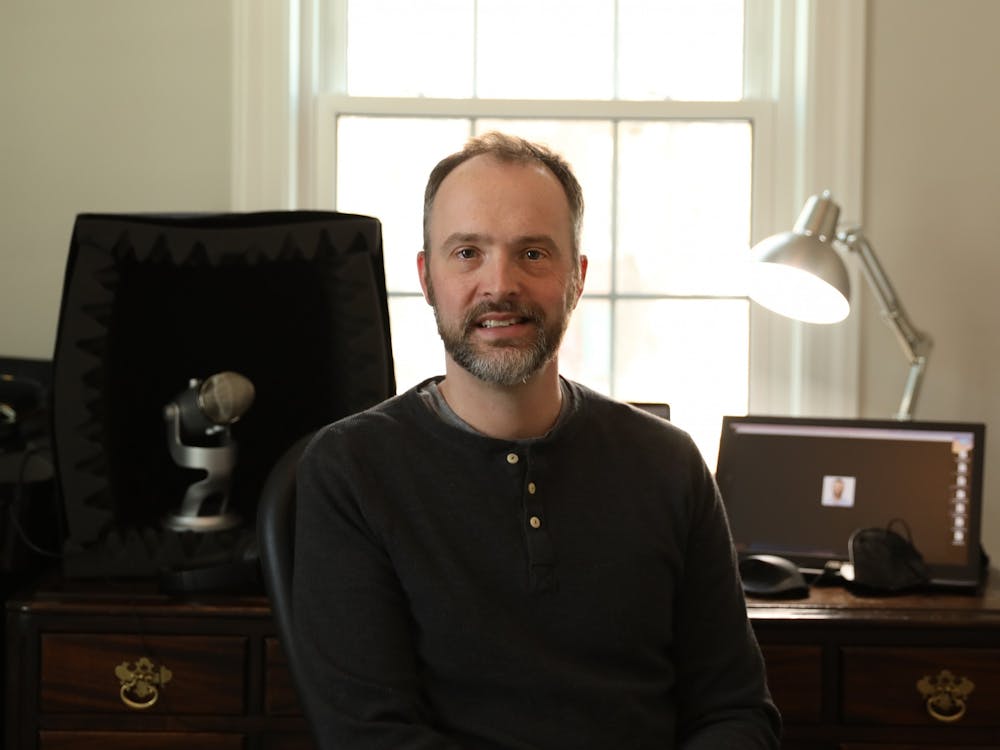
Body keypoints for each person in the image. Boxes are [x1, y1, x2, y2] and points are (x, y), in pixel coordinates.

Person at [292, 131, 781, 749]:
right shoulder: (350, 471)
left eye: (532, 254)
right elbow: (369, 736)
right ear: (426, 276)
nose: (499, 285)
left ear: (575, 277)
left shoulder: (670, 464)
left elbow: (735, 712)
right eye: (467, 252)